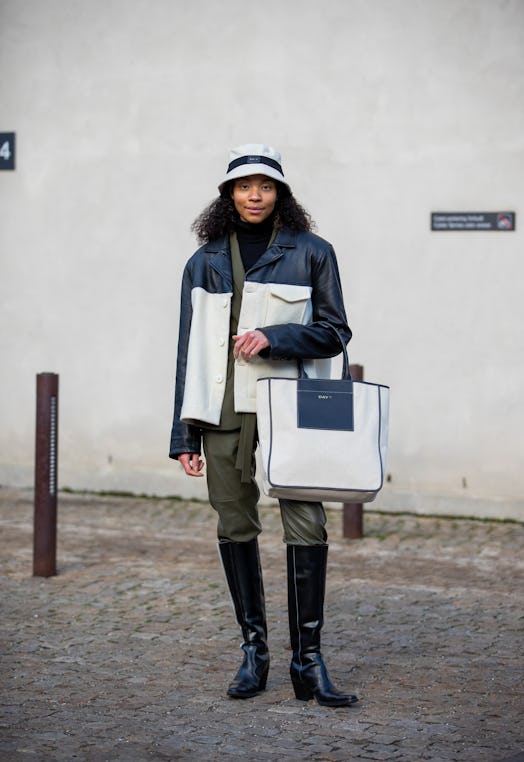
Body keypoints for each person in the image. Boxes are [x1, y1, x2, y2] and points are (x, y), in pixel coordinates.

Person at [169, 143, 358, 708]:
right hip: (223, 411)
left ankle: (309, 662)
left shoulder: (314, 252)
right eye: (244, 186)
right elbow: (189, 351)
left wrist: (276, 338)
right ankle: (255, 651)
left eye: (266, 185)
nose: (255, 195)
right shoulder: (203, 262)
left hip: (292, 407)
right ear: (228, 194)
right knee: (234, 523)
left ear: (281, 193)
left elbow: (335, 331)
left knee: (306, 526)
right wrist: (184, 433)